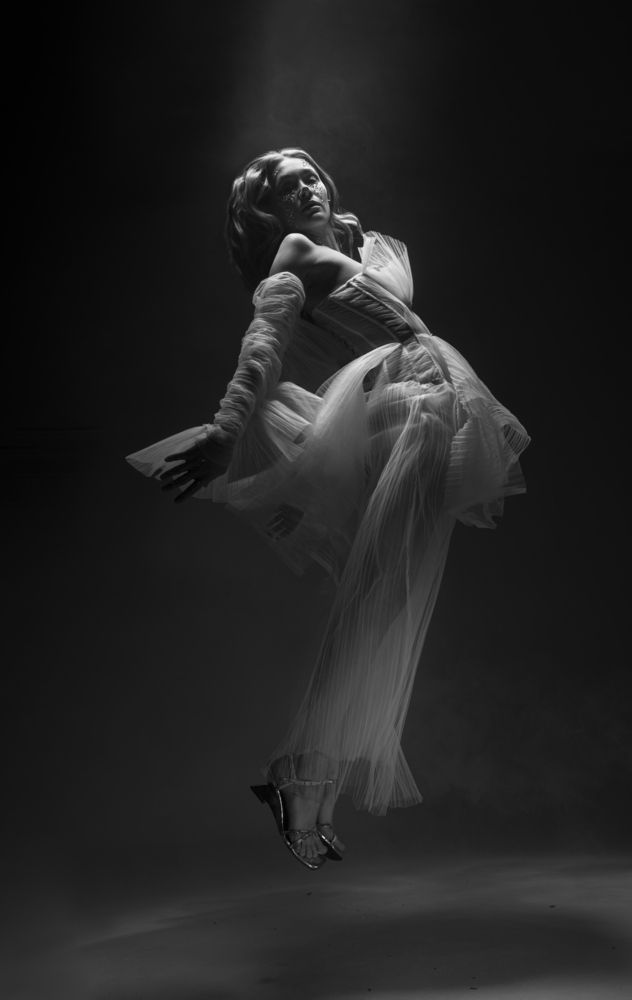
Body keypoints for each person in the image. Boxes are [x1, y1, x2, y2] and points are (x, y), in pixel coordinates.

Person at [126, 147, 530, 870]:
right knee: (375, 600)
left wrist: (306, 478)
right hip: (411, 410)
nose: (307, 189)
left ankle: (304, 778)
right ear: (266, 212)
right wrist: (227, 431)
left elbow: (365, 324)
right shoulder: (293, 253)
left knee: (384, 601)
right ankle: (300, 776)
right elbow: (263, 348)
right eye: (287, 187)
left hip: (424, 405)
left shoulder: (354, 250)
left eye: (312, 176)